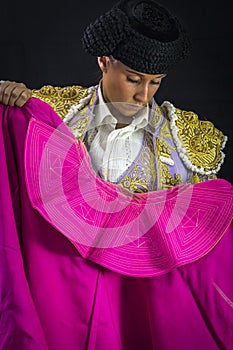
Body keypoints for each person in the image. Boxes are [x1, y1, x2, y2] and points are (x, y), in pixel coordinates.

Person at [0, 0, 232, 349]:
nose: (143, 95)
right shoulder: (48, 117)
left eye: (156, 82)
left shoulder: (187, 140)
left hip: (143, 308)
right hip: (64, 295)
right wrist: (4, 102)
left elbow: (199, 252)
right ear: (103, 61)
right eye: (133, 79)